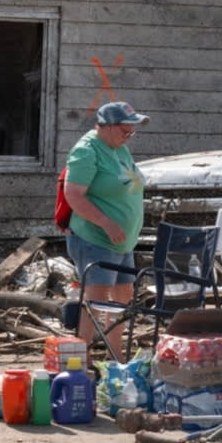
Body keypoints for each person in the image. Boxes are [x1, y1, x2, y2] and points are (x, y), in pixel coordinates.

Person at [62, 100, 149, 358]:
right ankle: (79, 362)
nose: (129, 136)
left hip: (122, 242)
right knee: (96, 303)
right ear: (106, 126)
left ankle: (116, 357)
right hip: (96, 239)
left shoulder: (118, 147)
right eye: (125, 131)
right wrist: (106, 222)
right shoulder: (87, 151)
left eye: (132, 131)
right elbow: (74, 195)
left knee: (122, 299)